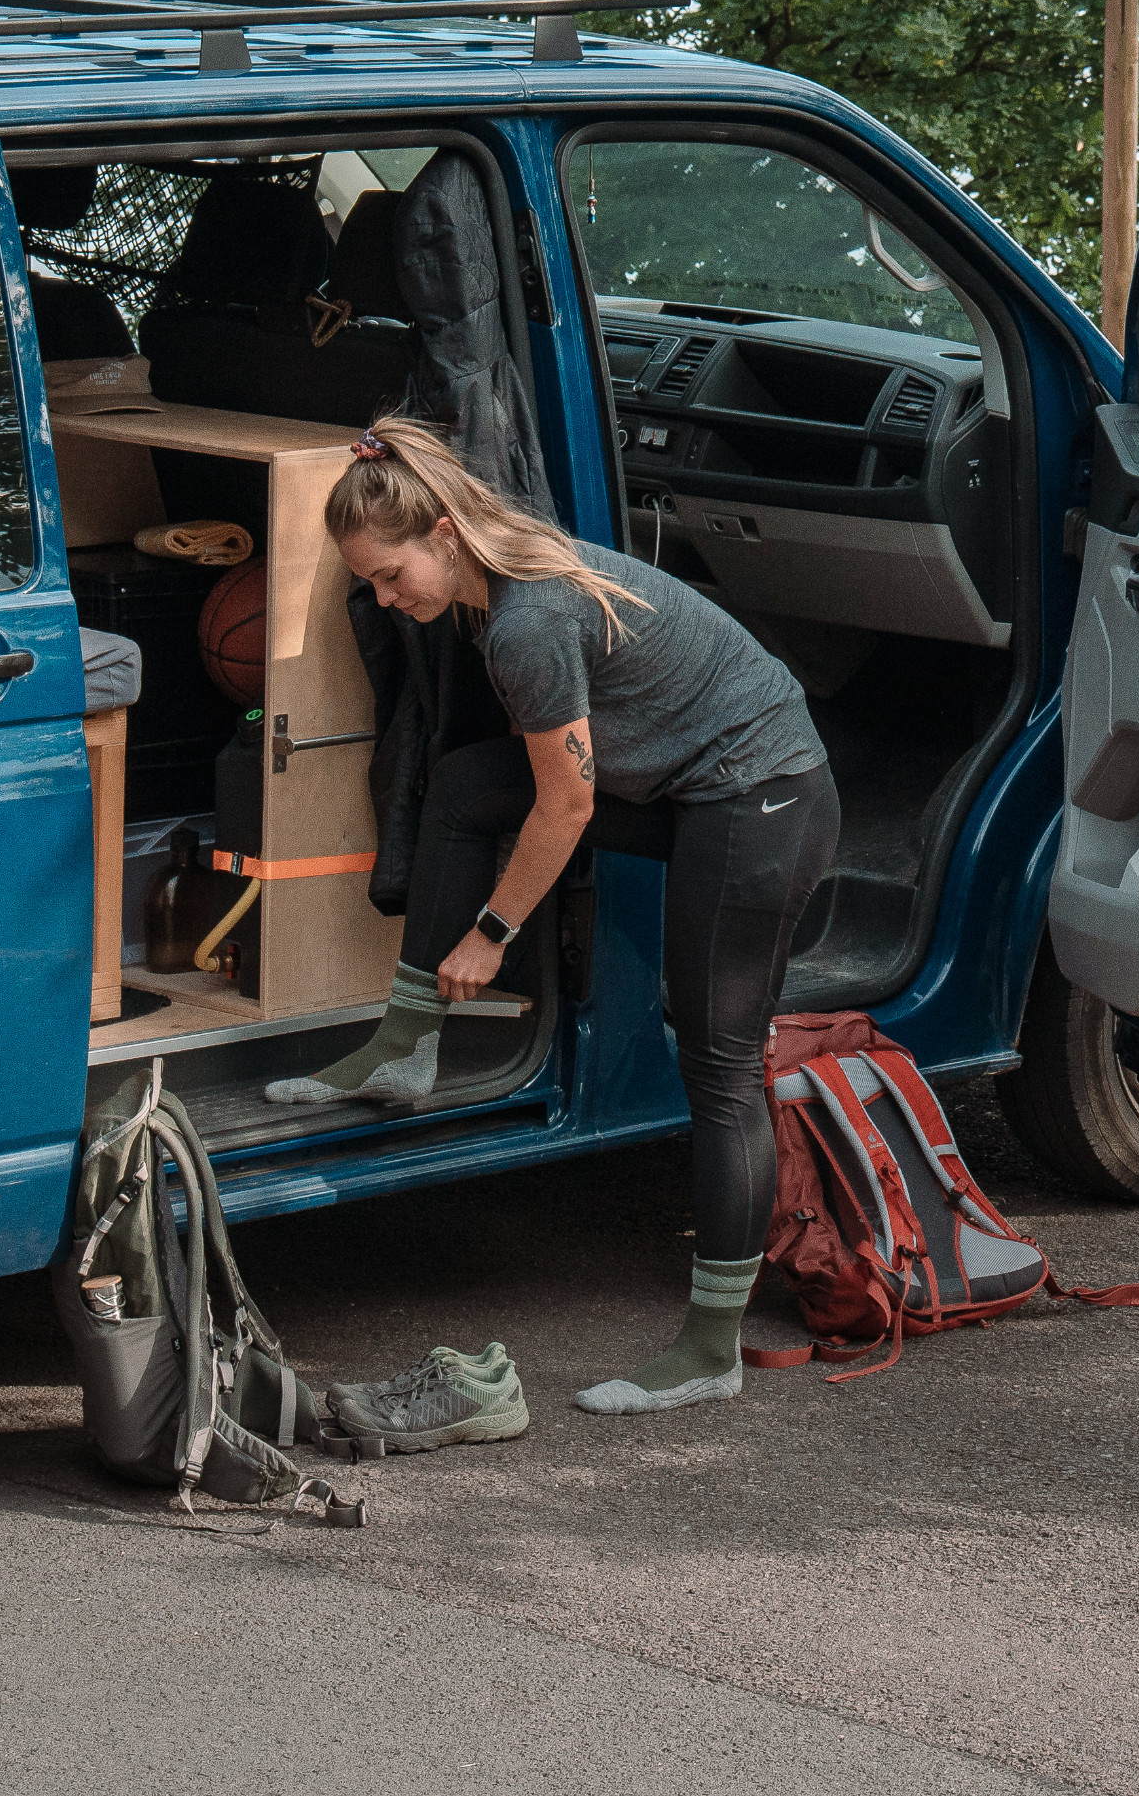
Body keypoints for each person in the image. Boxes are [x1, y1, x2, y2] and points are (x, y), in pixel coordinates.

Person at [260, 415, 838, 1421]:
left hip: (763, 791)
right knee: (463, 784)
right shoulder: (494, 574)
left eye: (394, 575)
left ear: (442, 530)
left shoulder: (524, 620)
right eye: (374, 585)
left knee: (717, 1059)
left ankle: (710, 1346)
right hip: (692, 780)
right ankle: (405, 1045)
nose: (390, 599)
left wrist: (491, 930)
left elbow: (566, 802)